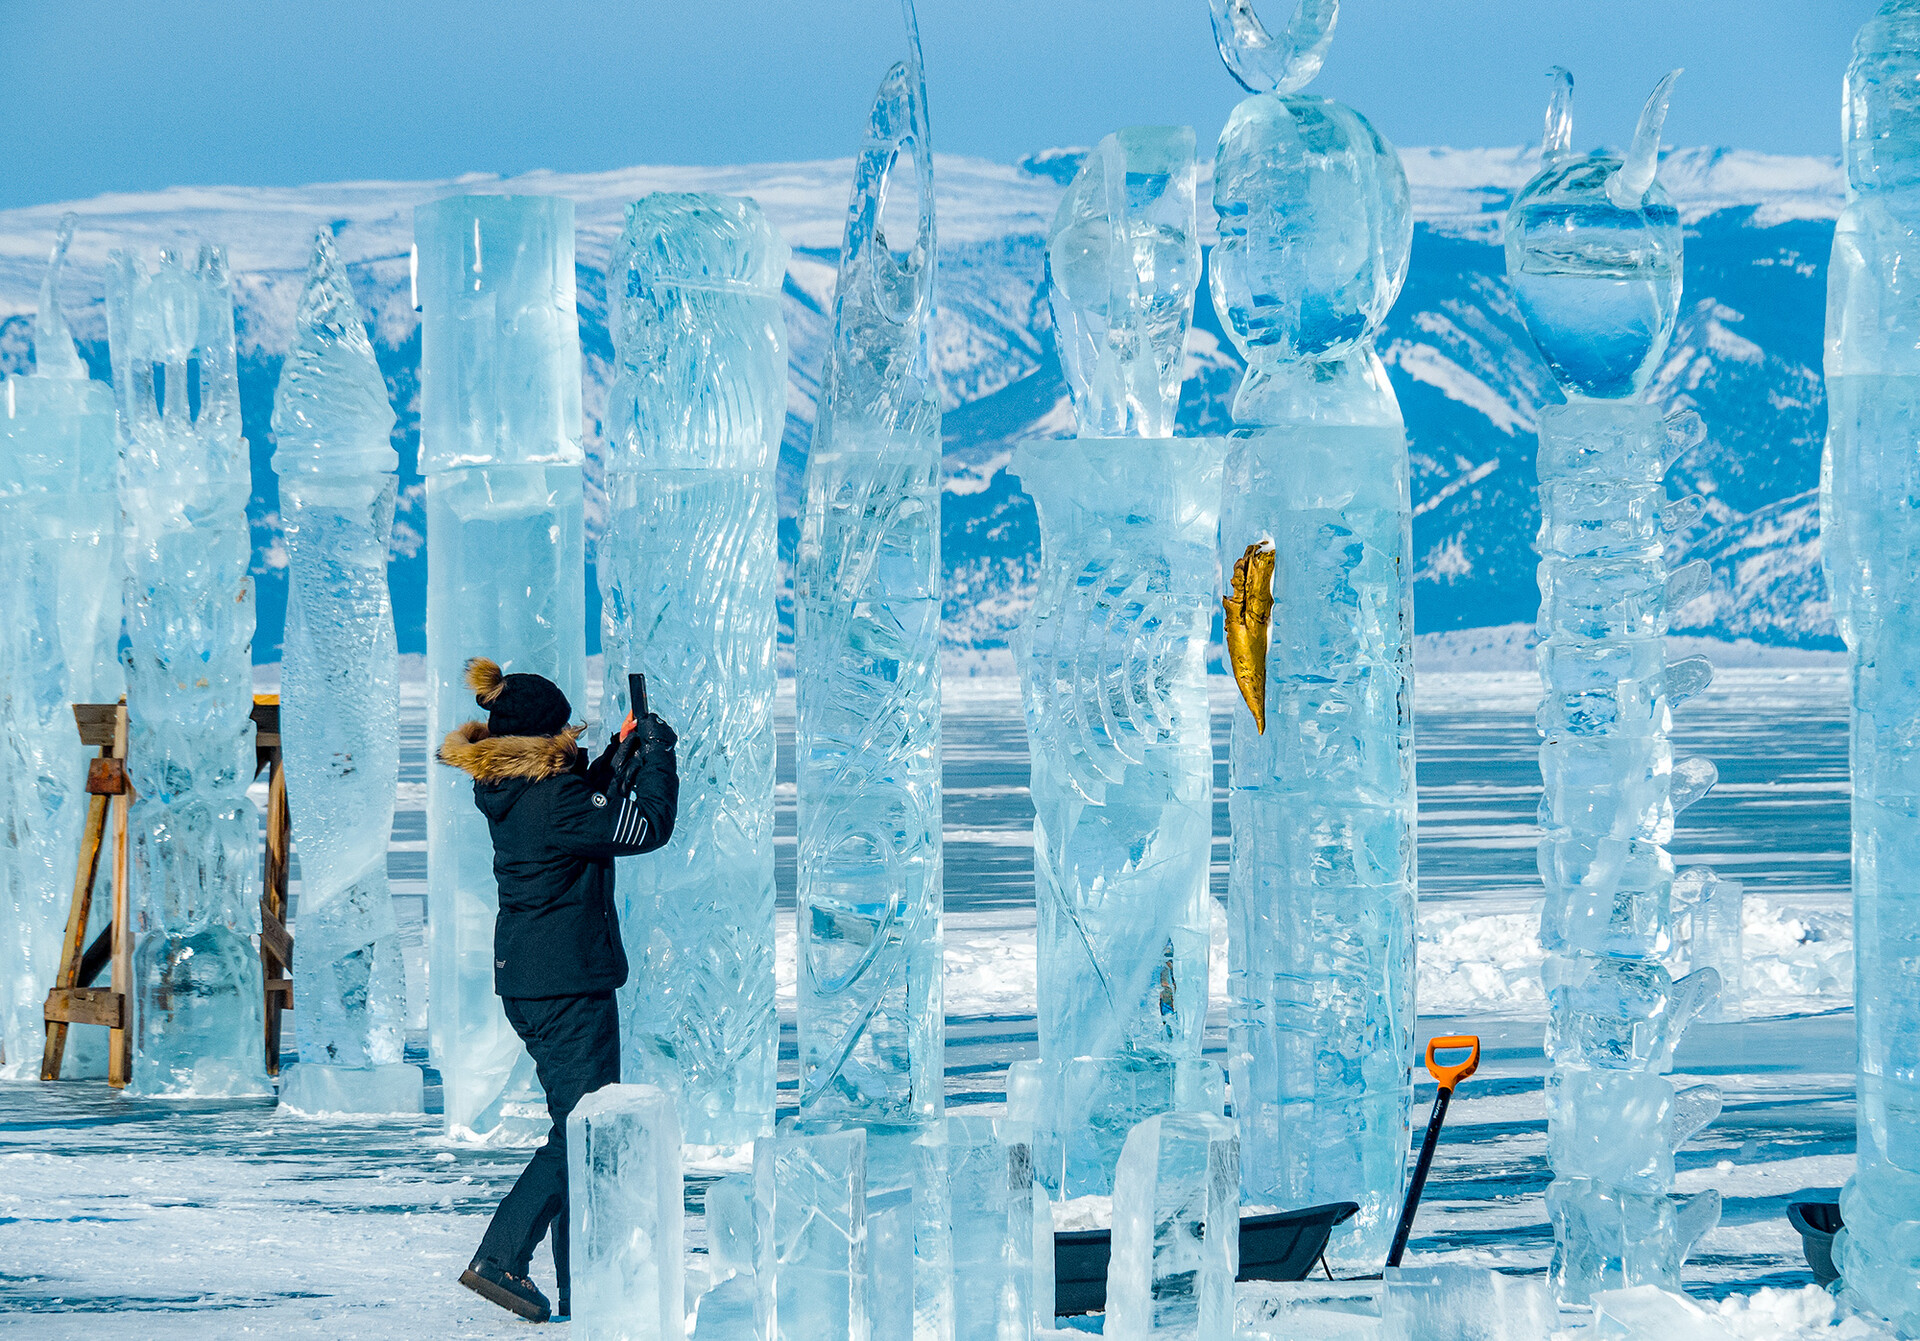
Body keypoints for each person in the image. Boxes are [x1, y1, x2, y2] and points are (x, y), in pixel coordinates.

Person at [436, 656, 678, 1323]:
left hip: (537, 978)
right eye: (566, 731)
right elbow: (643, 826)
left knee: (582, 1130)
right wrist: (656, 758)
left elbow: (586, 807)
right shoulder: (554, 799)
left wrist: (619, 755)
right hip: (567, 984)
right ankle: (501, 1256)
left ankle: (582, 1290)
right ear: (543, 737)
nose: (575, 737)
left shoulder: (521, 788)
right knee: (584, 1134)